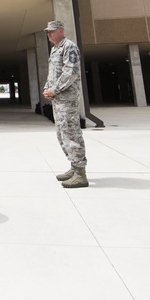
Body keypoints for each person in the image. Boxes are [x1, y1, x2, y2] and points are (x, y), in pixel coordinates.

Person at [42, 20, 89, 188]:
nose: (49, 34)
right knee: (62, 134)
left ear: (60, 31)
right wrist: (48, 88)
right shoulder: (55, 49)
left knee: (71, 133)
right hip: (58, 100)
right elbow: (53, 72)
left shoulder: (69, 47)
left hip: (67, 99)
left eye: (51, 31)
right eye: (47, 32)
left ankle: (80, 174)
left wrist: (54, 89)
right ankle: (74, 166)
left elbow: (71, 72)